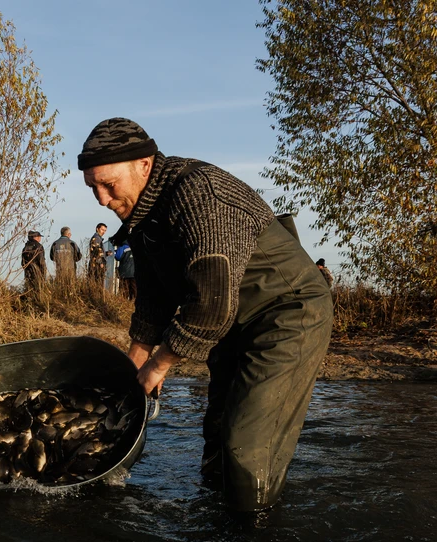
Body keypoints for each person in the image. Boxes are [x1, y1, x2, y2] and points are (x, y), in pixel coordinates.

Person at [79, 117, 333, 512]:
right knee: (216, 434)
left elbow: (211, 306)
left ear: (144, 164)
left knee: (246, 446)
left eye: (108, 184)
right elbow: (152, 297)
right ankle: (217, 524)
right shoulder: (142, 214)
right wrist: (136, 357)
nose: (100, 199)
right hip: (231, 323)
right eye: (92, 187)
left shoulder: (199, 195)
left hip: (287, 312)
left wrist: (158, 366)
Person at [20, 230, 47, 295]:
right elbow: (41, 261)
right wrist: (43, 272)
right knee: (38, 290)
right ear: (36, 237)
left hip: (28, 271)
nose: (40, 238)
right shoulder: (38, 246)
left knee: (29, 289)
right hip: (37, 271)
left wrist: (26, 269)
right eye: (39, 237)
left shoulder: (25, 247)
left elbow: (23, 262)